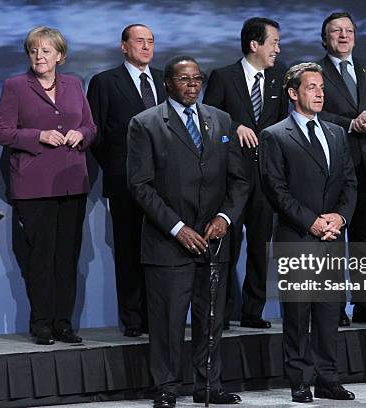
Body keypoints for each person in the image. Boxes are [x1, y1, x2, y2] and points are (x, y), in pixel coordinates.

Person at [127, 56, 248, 408]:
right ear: (168, 83)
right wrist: (178, 229)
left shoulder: (220, 120)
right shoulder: (146, 123)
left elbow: (239, 181)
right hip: (169, 243)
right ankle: (166, 387)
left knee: (211, 320)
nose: (192, 84)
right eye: (184, 79)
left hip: (213, 241)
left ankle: (208, 386)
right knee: (167, 323)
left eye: (197, 78)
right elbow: (140, 185)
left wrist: (224, 218)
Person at [259, 62, 357, 402]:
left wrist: (339, 218)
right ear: (293, 93)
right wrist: (312, 221)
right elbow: (276, 189)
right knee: (298, 315)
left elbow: (349, 184)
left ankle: (328, 378)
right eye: (312, 87)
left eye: (321, 88)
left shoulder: (336, 133)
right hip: (297, 237)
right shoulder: (274, 135)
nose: (319, 93)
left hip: (332, 236)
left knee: (330, 312)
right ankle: (299, 379)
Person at [0, 26, 96, 345]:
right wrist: (36, 135)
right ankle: (41, 324)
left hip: (71, 183)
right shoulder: (15, 86)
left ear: (60, 56)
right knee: (40, 258)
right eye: (34, 50)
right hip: (34, 186)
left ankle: (63, 324)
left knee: (67, 257)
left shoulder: (74, 84)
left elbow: (90, 126)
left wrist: (82, 134)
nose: (39, 56)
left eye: (46, 51)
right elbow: (1, 132)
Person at [203, 17, 288, 330]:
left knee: (260, 247)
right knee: (228, 245)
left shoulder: (279, 78)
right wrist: (233, 126)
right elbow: (209, 122)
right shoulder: (223, 77)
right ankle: (221, 313)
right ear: (255, 45)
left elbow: (281, 127)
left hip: (266, 179)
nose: (278, 49)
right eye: (274, 42)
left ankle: (253, 311)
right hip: (232, 180)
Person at [316, 12, 366, 326]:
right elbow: (314, 113)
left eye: (349, 30)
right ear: (325, 39)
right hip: (333, 168)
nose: (344, 35)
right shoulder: (315, 71)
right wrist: (350, 123)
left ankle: (365, 304)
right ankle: (333, 308)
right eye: (336, 31)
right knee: (334, 240)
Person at [87, 24, 166, 338]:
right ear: (123, 46)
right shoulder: (105, 82)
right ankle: (133, 319)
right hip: (125, 182)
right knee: (129, 250)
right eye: (139, 41)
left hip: (166, 184)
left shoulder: (164, 79)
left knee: (161, 252)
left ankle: (156, 317)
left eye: (150, 41)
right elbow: (96, 134)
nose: (146, 47)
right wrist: (117, 167)